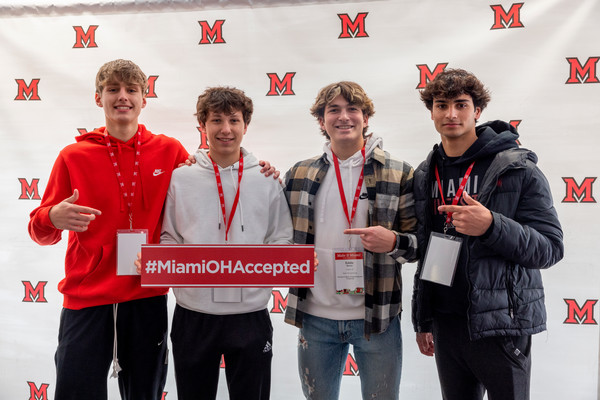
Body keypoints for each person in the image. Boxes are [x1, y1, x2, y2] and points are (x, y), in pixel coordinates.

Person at [27, 59, 277, 400]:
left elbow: (214, 173)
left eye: (132, 89)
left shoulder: (170, 150)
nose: (122, 97)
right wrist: (51, 217)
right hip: (86, 300)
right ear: (98, 98)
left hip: (146, 299)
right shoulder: (73, 156)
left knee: (145, 393)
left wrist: (259, 168)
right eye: (112, 89)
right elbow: (41, 232)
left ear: (145, 98)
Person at [411, 68, 564, 400]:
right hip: (447, 323)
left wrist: (492, 226)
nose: (451, 113)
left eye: (461, 104)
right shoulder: (425, 172)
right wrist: (423, 320)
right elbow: (427, 249)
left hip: (501, 325)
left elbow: (550, 248)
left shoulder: (517, 167)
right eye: (441, 105)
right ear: (432, 111)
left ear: (477, 111)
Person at [284, 81, 418, 400]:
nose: (344, 117)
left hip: (377, 319)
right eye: (334, 110)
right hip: (315, 318)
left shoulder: (399, 173)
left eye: (352, 109)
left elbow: (418, 245)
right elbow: (277, 237)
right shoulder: (298, 174)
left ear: (366, 117)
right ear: (322, 120)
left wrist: (393, 242)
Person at [159, 86, 293, 400]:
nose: (226, 129)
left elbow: (281, 238)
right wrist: (161, 260)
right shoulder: (181, 178)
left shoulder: (266, 178)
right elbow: (169, 237)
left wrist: (280, 261)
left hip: (250, 314)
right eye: (216, 120)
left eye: (233, 120)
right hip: (194, 314)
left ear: (246, 126)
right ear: (202, 127)